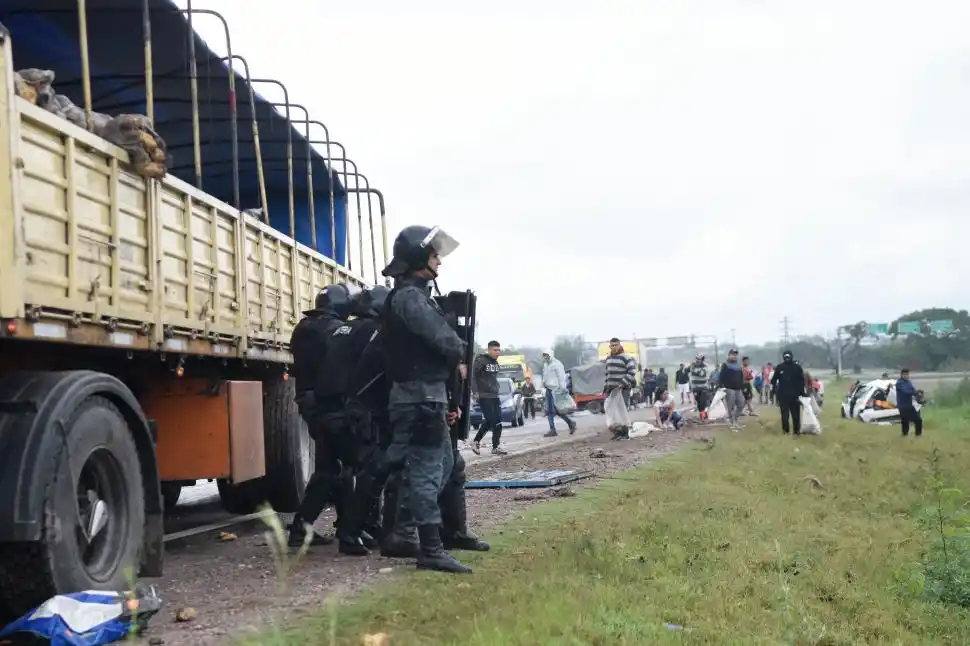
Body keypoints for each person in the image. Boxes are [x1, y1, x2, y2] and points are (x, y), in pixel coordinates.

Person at [380, 224, 472, 573]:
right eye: (434, 255)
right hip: (420, 397)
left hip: (420, 396)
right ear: (419, 257)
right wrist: (458, 349)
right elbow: (447, 342)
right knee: (427, 471)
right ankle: (430, 549)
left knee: (442, 465)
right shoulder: (410, 299)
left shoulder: (410, 296)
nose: (439, 262)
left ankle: (404, 533)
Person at [287, 283, 361, 548]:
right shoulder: (333, 330)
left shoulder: (304, 328)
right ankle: (349, 529)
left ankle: (304, 527)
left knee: (330, 467)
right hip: (329, 403)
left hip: (310, 403)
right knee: (350, 465)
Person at [471, 341, 507, 456]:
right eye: (495, 350)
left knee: (498, 421)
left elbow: (493, 378)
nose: (498, 352)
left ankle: (496, 447)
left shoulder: (495, 363)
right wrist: (475, 391)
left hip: (494, 395)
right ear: (489, 350)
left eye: (499, 350)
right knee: (490, 419)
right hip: (484, 395)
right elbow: (473, 376)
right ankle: (476, 441)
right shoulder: (481, 360)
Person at [605, 337, 637, 439]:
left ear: (620, 345)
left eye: (616, 345)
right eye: (612, 345)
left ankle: (625, 433)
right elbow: (607, 373)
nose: (614, 347)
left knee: (621, 410)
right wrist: (606, 386)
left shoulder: (626, 357)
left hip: (623, 388)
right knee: (611, 410)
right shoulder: (609, 358)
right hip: (612, 389)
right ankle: (617, 432)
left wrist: (622, 383)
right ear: (610, 346)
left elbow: (632, 372)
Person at [541, 350, 577, 437]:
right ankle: (570, 423)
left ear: (551, 355)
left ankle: (553, 429)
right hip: (548, 389)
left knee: (551, 410)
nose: (545, 357)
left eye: (547, 355)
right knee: (554, 410)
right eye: (544, 355)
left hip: (556, 390)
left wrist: (563, 388)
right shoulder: (546, 365)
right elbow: (545, 376)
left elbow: (561, 377)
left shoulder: (557, 364)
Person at [771, 350, 806, 436]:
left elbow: (802, 381)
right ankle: (789, 431)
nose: (787, 358)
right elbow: (773, 380)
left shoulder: (796, 368)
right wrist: (775, 390)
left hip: (793, 395)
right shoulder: (780, 367)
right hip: (784, 395)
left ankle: (794, 431)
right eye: (786, 357)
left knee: (794, 414)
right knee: (786, 414)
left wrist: (801, 393)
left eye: (788, 357)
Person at [718, 348, 745, 430]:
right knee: (731, 405)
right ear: (729, 355)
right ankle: (731, 421)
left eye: (736, 354)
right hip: (729, 388)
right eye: (733, 354)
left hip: (738, 388)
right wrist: (721, 387)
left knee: (741, 404)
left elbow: (741, 377)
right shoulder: (725, 365)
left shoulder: (738, 366)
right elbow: (721, 377)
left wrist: (741, 386)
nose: (734, 356)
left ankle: (735, 419)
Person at [895, 368, 923, 437]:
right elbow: (905, 392)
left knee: (918, 420)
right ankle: (905, 435)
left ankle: (918, 435)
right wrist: (915, 392)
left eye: (907, 374)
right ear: (901, 375)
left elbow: (913, 390)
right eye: (904, 374)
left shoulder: (909, 382)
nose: (906, 376)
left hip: (909, 405)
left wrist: (918, 394)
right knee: (905, 421)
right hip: (902, 406)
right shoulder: (899, 383)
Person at [689, 354, 711, 419]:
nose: (698, 360)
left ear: (702, 360)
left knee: (702, 401)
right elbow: (685, 371)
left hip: (703, 387)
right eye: (697, 359)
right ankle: (702, 415)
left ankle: (703, 416)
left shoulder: (705, 366)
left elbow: (702, 374)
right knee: (698, 402)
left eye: (699, 359)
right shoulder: (693, 365)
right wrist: (690, 366)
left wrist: (692, 369)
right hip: (695, 388)